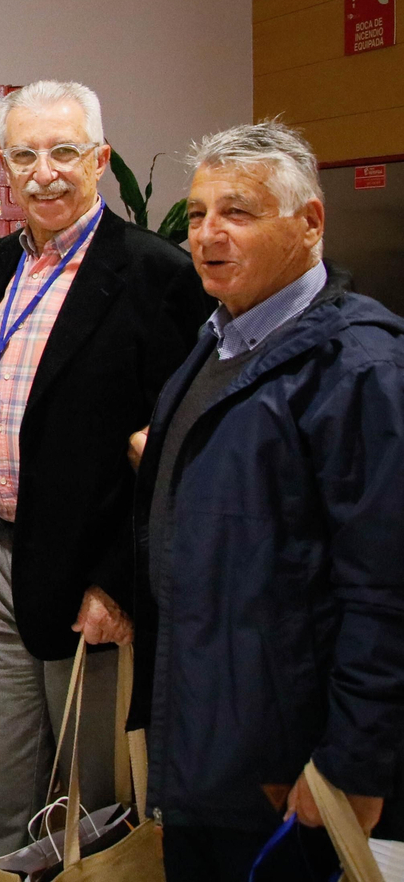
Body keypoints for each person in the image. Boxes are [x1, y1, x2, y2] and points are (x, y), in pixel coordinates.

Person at [131, 121, 404, 881]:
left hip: (291, 768)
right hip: (207, 742)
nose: (208, 236)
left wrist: (353, 763)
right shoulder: (217, 342)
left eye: (238, 213)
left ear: (309, 221)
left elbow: (383, 588)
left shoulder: (361, 369)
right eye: (196, 215)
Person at [0, 80, 211, 879]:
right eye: (24, 154)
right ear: (3, 166)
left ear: (100, 158)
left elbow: (175, 453)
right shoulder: (0, 264)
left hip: (92, 572)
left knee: (93, 800)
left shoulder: (156, 274)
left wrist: (119, 581)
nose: (45, 173)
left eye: (64, 152)